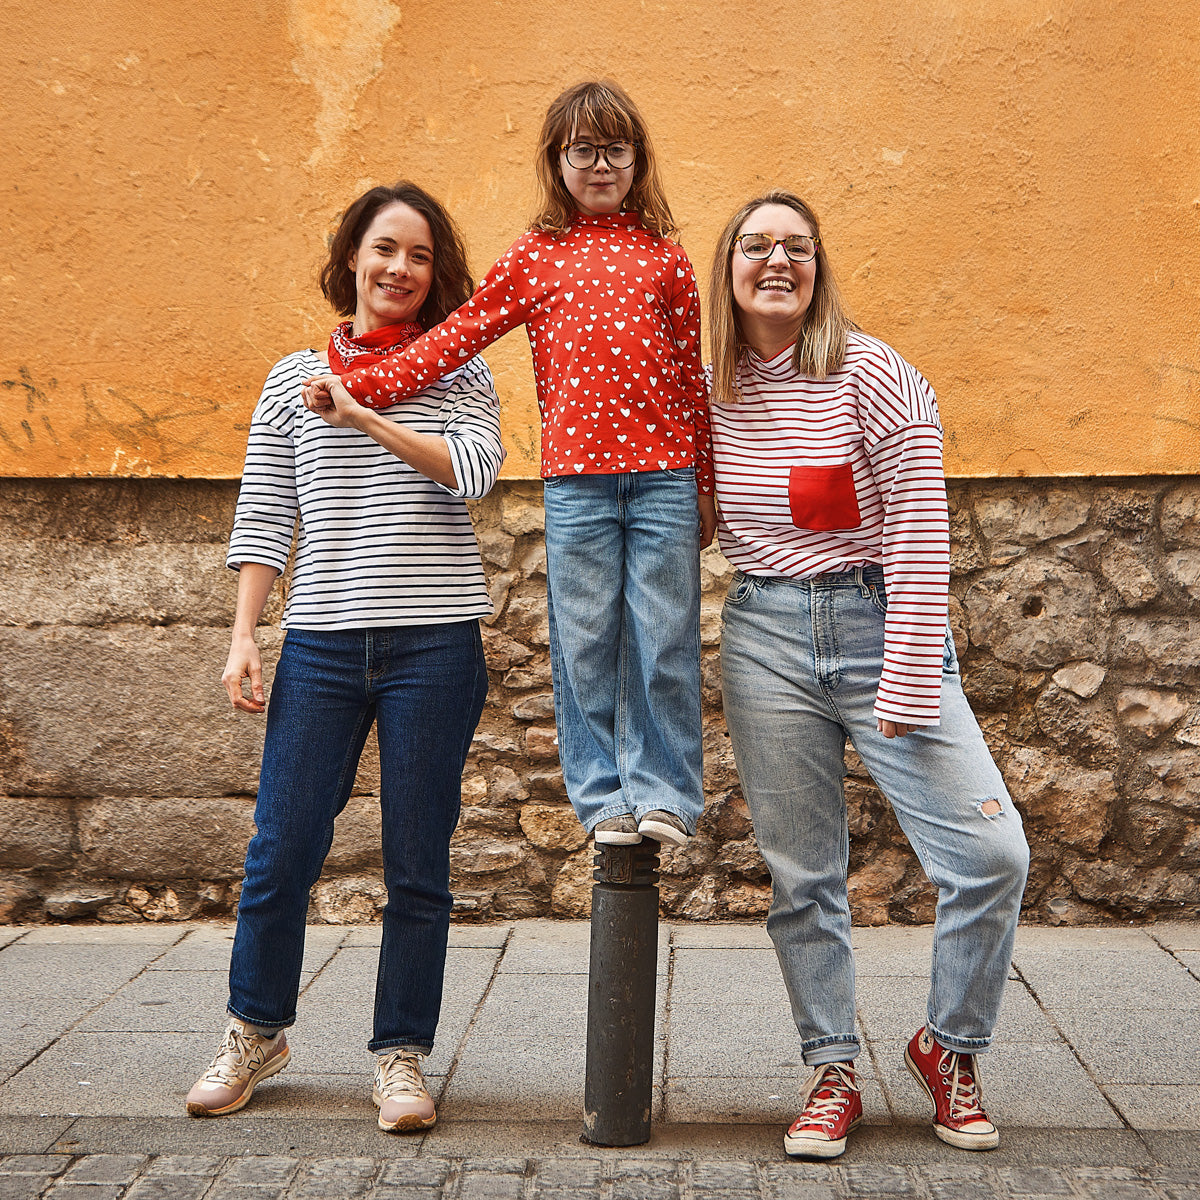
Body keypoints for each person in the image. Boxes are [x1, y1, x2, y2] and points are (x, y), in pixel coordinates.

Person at [302, 81, 715, 848]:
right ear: (557, 161)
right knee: (584, 641)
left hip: (663, 478)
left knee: (664, 640)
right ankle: (603, 799)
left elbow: (692, 377)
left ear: (638, 160)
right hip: (577, 486)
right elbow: (451, 339)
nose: (600, 165)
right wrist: (359, 383)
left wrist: (706, 483)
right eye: (583, 150)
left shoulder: (666, 257)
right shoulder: (534, 257)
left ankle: (665, 792)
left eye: (615, 149)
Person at [707, 190, 1029, 1159]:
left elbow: (922, 535)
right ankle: (832, 1069)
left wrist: (908, 677)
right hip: (764, 635)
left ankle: (949, 1046)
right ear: (728, 267)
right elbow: (684, 516)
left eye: (796, 247)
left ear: (819, 267)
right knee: (804, 877)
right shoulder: (708, 388)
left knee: (991, 854)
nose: (776, 261)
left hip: (879, 621)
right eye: (756, 245)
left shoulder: (875, 374)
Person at [185, 181, 504, 1133]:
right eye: (384, 249)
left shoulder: (461, 372)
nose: (400, 269)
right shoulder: (293, 378)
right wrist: (245, 634)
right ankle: (255, 1031)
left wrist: (363, 412)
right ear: (353, 259)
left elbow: (475, 474)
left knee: (417, 859)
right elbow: (265, 513)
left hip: (434, 645)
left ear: (436, 275)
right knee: (282, 845)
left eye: (420, 256)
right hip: (322, 643)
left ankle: (400, 1054)